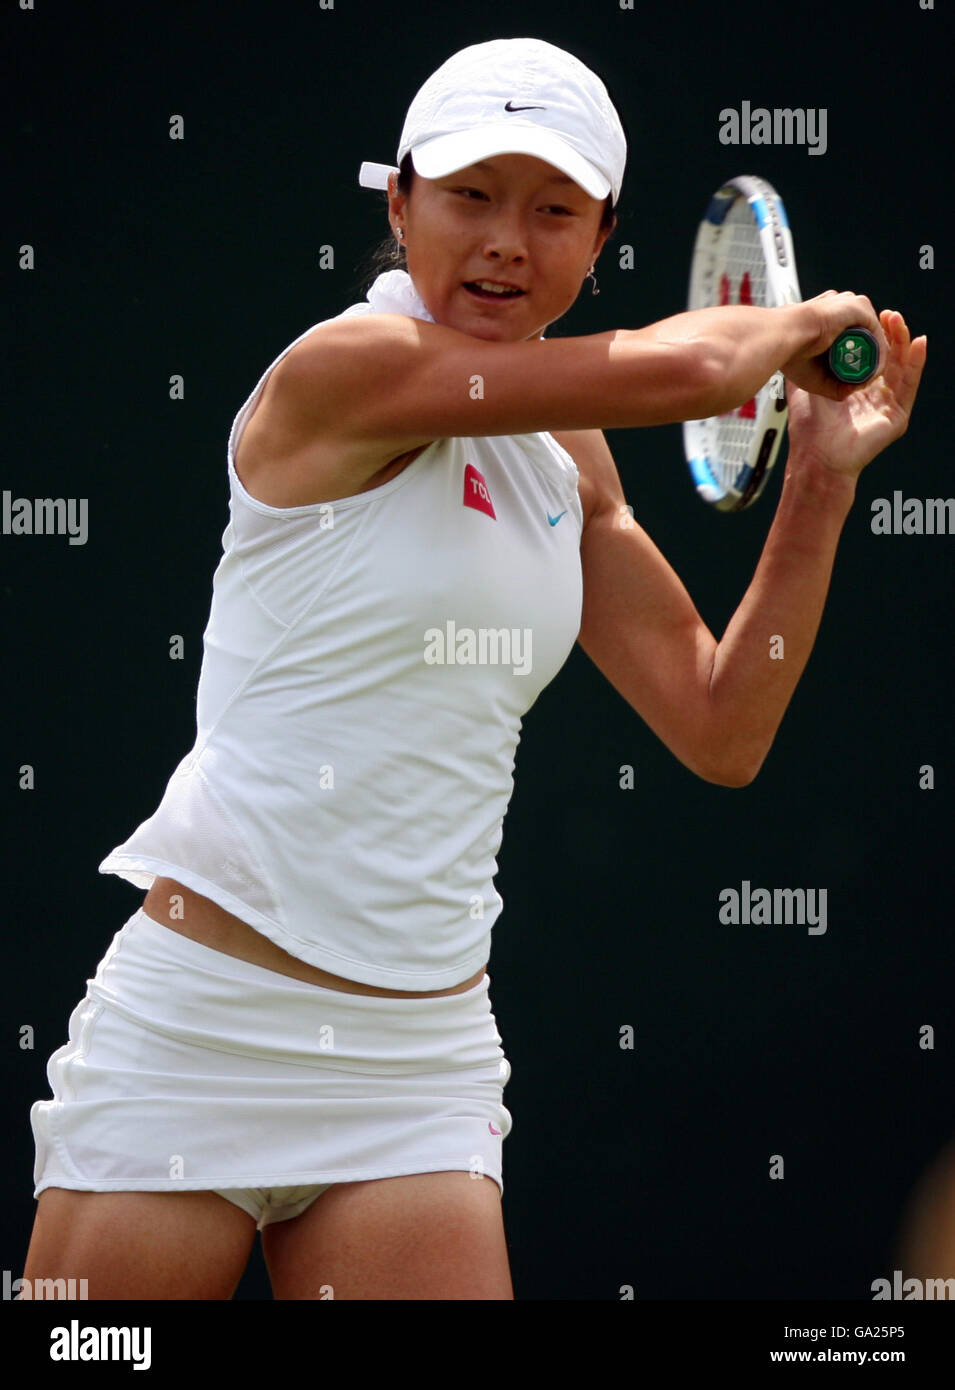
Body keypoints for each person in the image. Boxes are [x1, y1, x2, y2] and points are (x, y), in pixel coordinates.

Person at [23, 37, 925, 1302]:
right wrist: (798, 325)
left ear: (601, 235)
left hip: (417, 1056)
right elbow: (685, 371)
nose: (506, 239)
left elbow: (723, 721)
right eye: (469, 197)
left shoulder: (569, 457)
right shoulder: (347, 369)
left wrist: (820, 487)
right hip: (206, 1019)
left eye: (551, 209)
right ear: (398, 203)